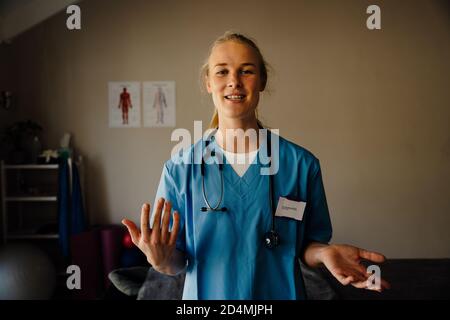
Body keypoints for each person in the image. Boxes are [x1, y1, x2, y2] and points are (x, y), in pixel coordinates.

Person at [122, 31, 390, 299]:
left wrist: (324, 252)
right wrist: (160, 261)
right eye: (222, 72)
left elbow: (307, 245)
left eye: (246, 71)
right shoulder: (180, 169)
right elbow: (175, 261)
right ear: (207, 82)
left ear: (262, 80)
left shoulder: (300, 165)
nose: (234, 82)